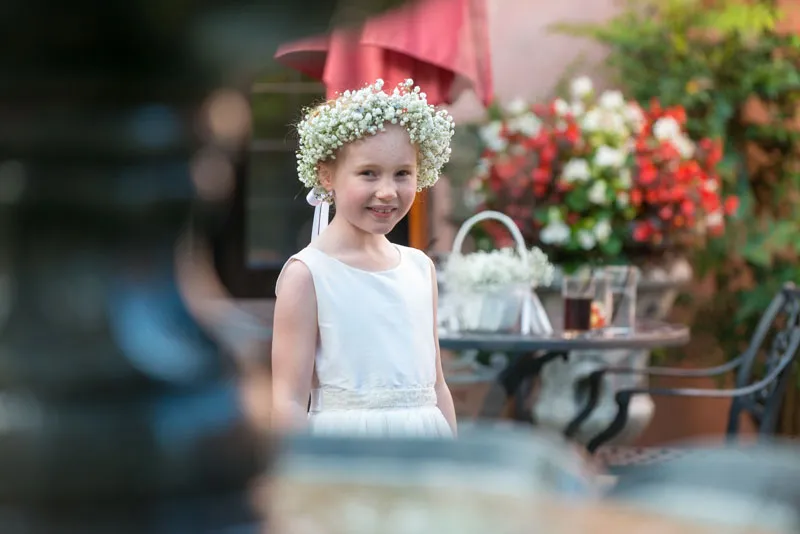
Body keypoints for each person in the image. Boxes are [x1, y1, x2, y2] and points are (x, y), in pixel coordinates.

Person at [271, 79, 457, 437]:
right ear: (327, 175)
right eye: (368, 173)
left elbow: (436, 386)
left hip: (426, 448)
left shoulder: (420, 269)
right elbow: (288, 401)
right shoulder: (308, 275)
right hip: (348, 452)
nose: (387, 191)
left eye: (402, 173)